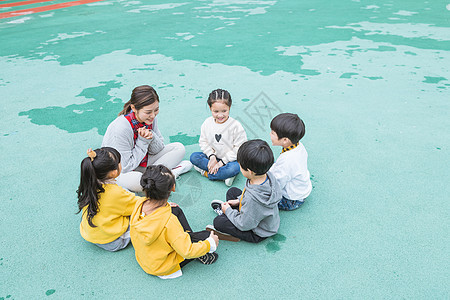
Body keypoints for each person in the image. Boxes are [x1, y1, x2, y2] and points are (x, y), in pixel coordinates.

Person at [130, 165, 219, 279]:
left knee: (175, 209)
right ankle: (195, 246)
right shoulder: (169, 222)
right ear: (173, 187)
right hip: (163, 266)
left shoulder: (139, 203)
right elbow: (187, 252)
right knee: (206, 235)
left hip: (146, 258)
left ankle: (187, 238)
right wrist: (210, 244)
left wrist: (166, 206)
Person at [102, 85, 192, 192]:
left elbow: (158, 149)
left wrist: (151, 137)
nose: (153, 115)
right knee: (140, 183)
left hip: (142, 163)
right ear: (134, 108)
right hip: (120, 171)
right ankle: (169, 175)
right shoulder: (121, 128)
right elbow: (126, 167)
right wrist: (143, 141)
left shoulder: (151, 119)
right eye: (148, 112)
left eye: (156, 110)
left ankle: (161, 178)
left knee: (179, 148)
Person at [207, 139, 281, 243]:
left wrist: (228, 211)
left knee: (219, 222)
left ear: (250, 171)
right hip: (258, 214)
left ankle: (229, 220)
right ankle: (232, 213)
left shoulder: (253, 200)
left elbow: (244, 225)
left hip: (258, 232)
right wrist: (239, 200)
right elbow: (250, 196)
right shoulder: (267, 175)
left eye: (240, 166)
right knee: (232, 192)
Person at [77, 147, 143, 251]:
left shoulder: (90, 184)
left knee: (123, 193)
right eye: (119, 163)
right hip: (113, 240)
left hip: (90, 234)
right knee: (144, 215)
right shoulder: (116, 193)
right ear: (113, 173)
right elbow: (141, 205)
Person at [190, 89, 247, 187]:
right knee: (194, 157)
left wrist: (221, 163)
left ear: (229, 107)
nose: (220, 115)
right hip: (213, 157)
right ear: (210, 108)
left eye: (224, 111)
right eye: (216, 111)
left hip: (230, 160)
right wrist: (212, 157)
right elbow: (203, 142)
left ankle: (207, 173)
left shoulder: (236, 126)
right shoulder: (207, 123)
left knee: (235, 168)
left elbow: (239, 148)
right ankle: (223, 176)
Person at [269, 113, 312, 211]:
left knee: (260, 198)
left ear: (285, 140)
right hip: (300, 189)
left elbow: (278, 184)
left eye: (272, 133)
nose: (270, 134)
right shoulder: (299, 145)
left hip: (291, 199)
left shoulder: (287, 160)